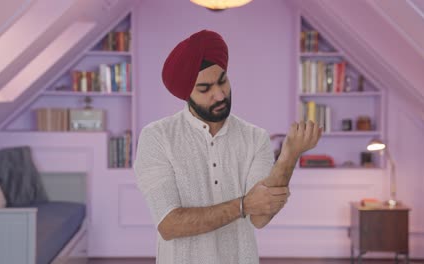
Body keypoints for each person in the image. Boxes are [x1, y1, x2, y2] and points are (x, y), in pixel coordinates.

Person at [134, 29, 322, 264]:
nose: (220, 94)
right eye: (205, 89)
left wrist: (289, 155)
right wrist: (243, 205)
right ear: (186, 95)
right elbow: (169, 225)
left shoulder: (255, 137)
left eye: (223, 81)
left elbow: (260, 218)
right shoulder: (157, 137)